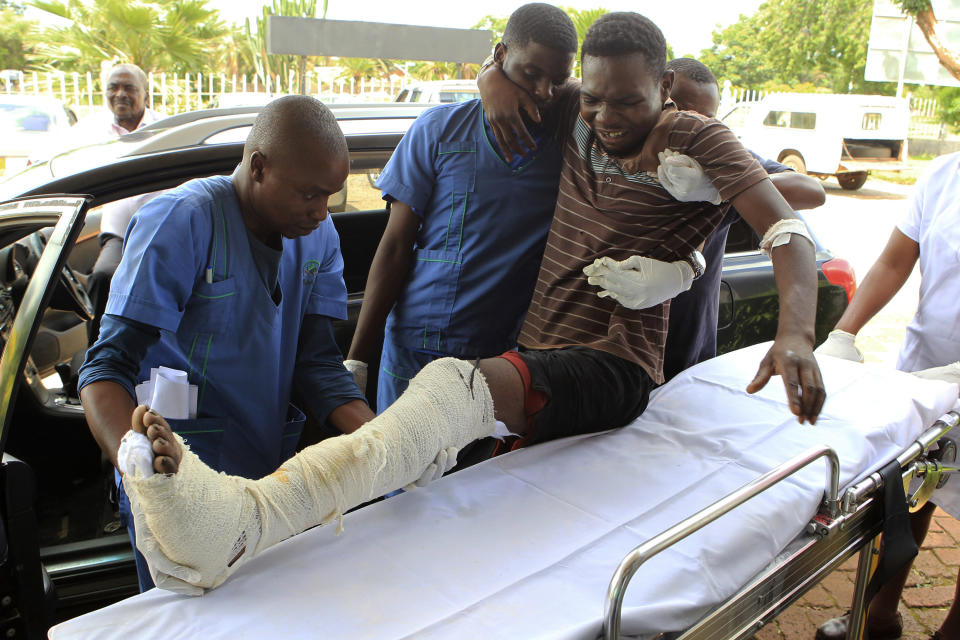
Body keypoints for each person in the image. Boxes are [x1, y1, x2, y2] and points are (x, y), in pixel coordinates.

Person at [115, 12, 827, 595]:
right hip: (537, 359)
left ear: (665, 86)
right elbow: (538, 78)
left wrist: (788, 324)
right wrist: (491, 80)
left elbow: (788, 221)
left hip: (611, 362)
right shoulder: (572, 119)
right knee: (470, 517)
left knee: (452, 393)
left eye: (628, 102)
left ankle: (251, 516)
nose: (607, 117)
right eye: (592, 98)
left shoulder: (693, 137)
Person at [78, 95, 375, 591]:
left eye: (331, 197)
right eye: (309, 195)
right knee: (189, 614)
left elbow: (318, 363)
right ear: (258, 167)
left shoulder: (318, 239)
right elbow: (106, 367)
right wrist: (141, 466)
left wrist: (378, 440)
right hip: (175, 480)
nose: (322, 213)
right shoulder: (182, 221)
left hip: (259, 482)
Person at [344, 3, 578, 415]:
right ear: (502, 54)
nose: (544, 91)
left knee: (478, 476)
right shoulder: (439, 129)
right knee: (400, 473)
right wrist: (358, 359)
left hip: (500, 363)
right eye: (531, 74)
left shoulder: (567, 146)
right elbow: (396, 246)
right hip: (415, 352)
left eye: (557, 80)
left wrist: (491, 75)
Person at [813, 152, 960, 640]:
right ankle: (879, 613)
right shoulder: (944, 173)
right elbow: (895, 262)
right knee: (911, 493)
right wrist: (843, 335)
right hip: (924, 370)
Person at [661, 58, 826, 381]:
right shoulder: (624, 155)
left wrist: (721, 188)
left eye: (706, 119)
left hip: (690, 356)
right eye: (681, 111)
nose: (693, 127)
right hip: (623, 352)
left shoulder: (720, 161)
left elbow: (812, 191)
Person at [76, 64, 165, 344]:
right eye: (113, 87)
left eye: (129, 88)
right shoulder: (93, 133)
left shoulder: (166, 129)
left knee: (151, 284)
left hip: (159, 231)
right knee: (103, 276)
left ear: (145, 95)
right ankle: (96, 357)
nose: (120, 94)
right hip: (117, 234)